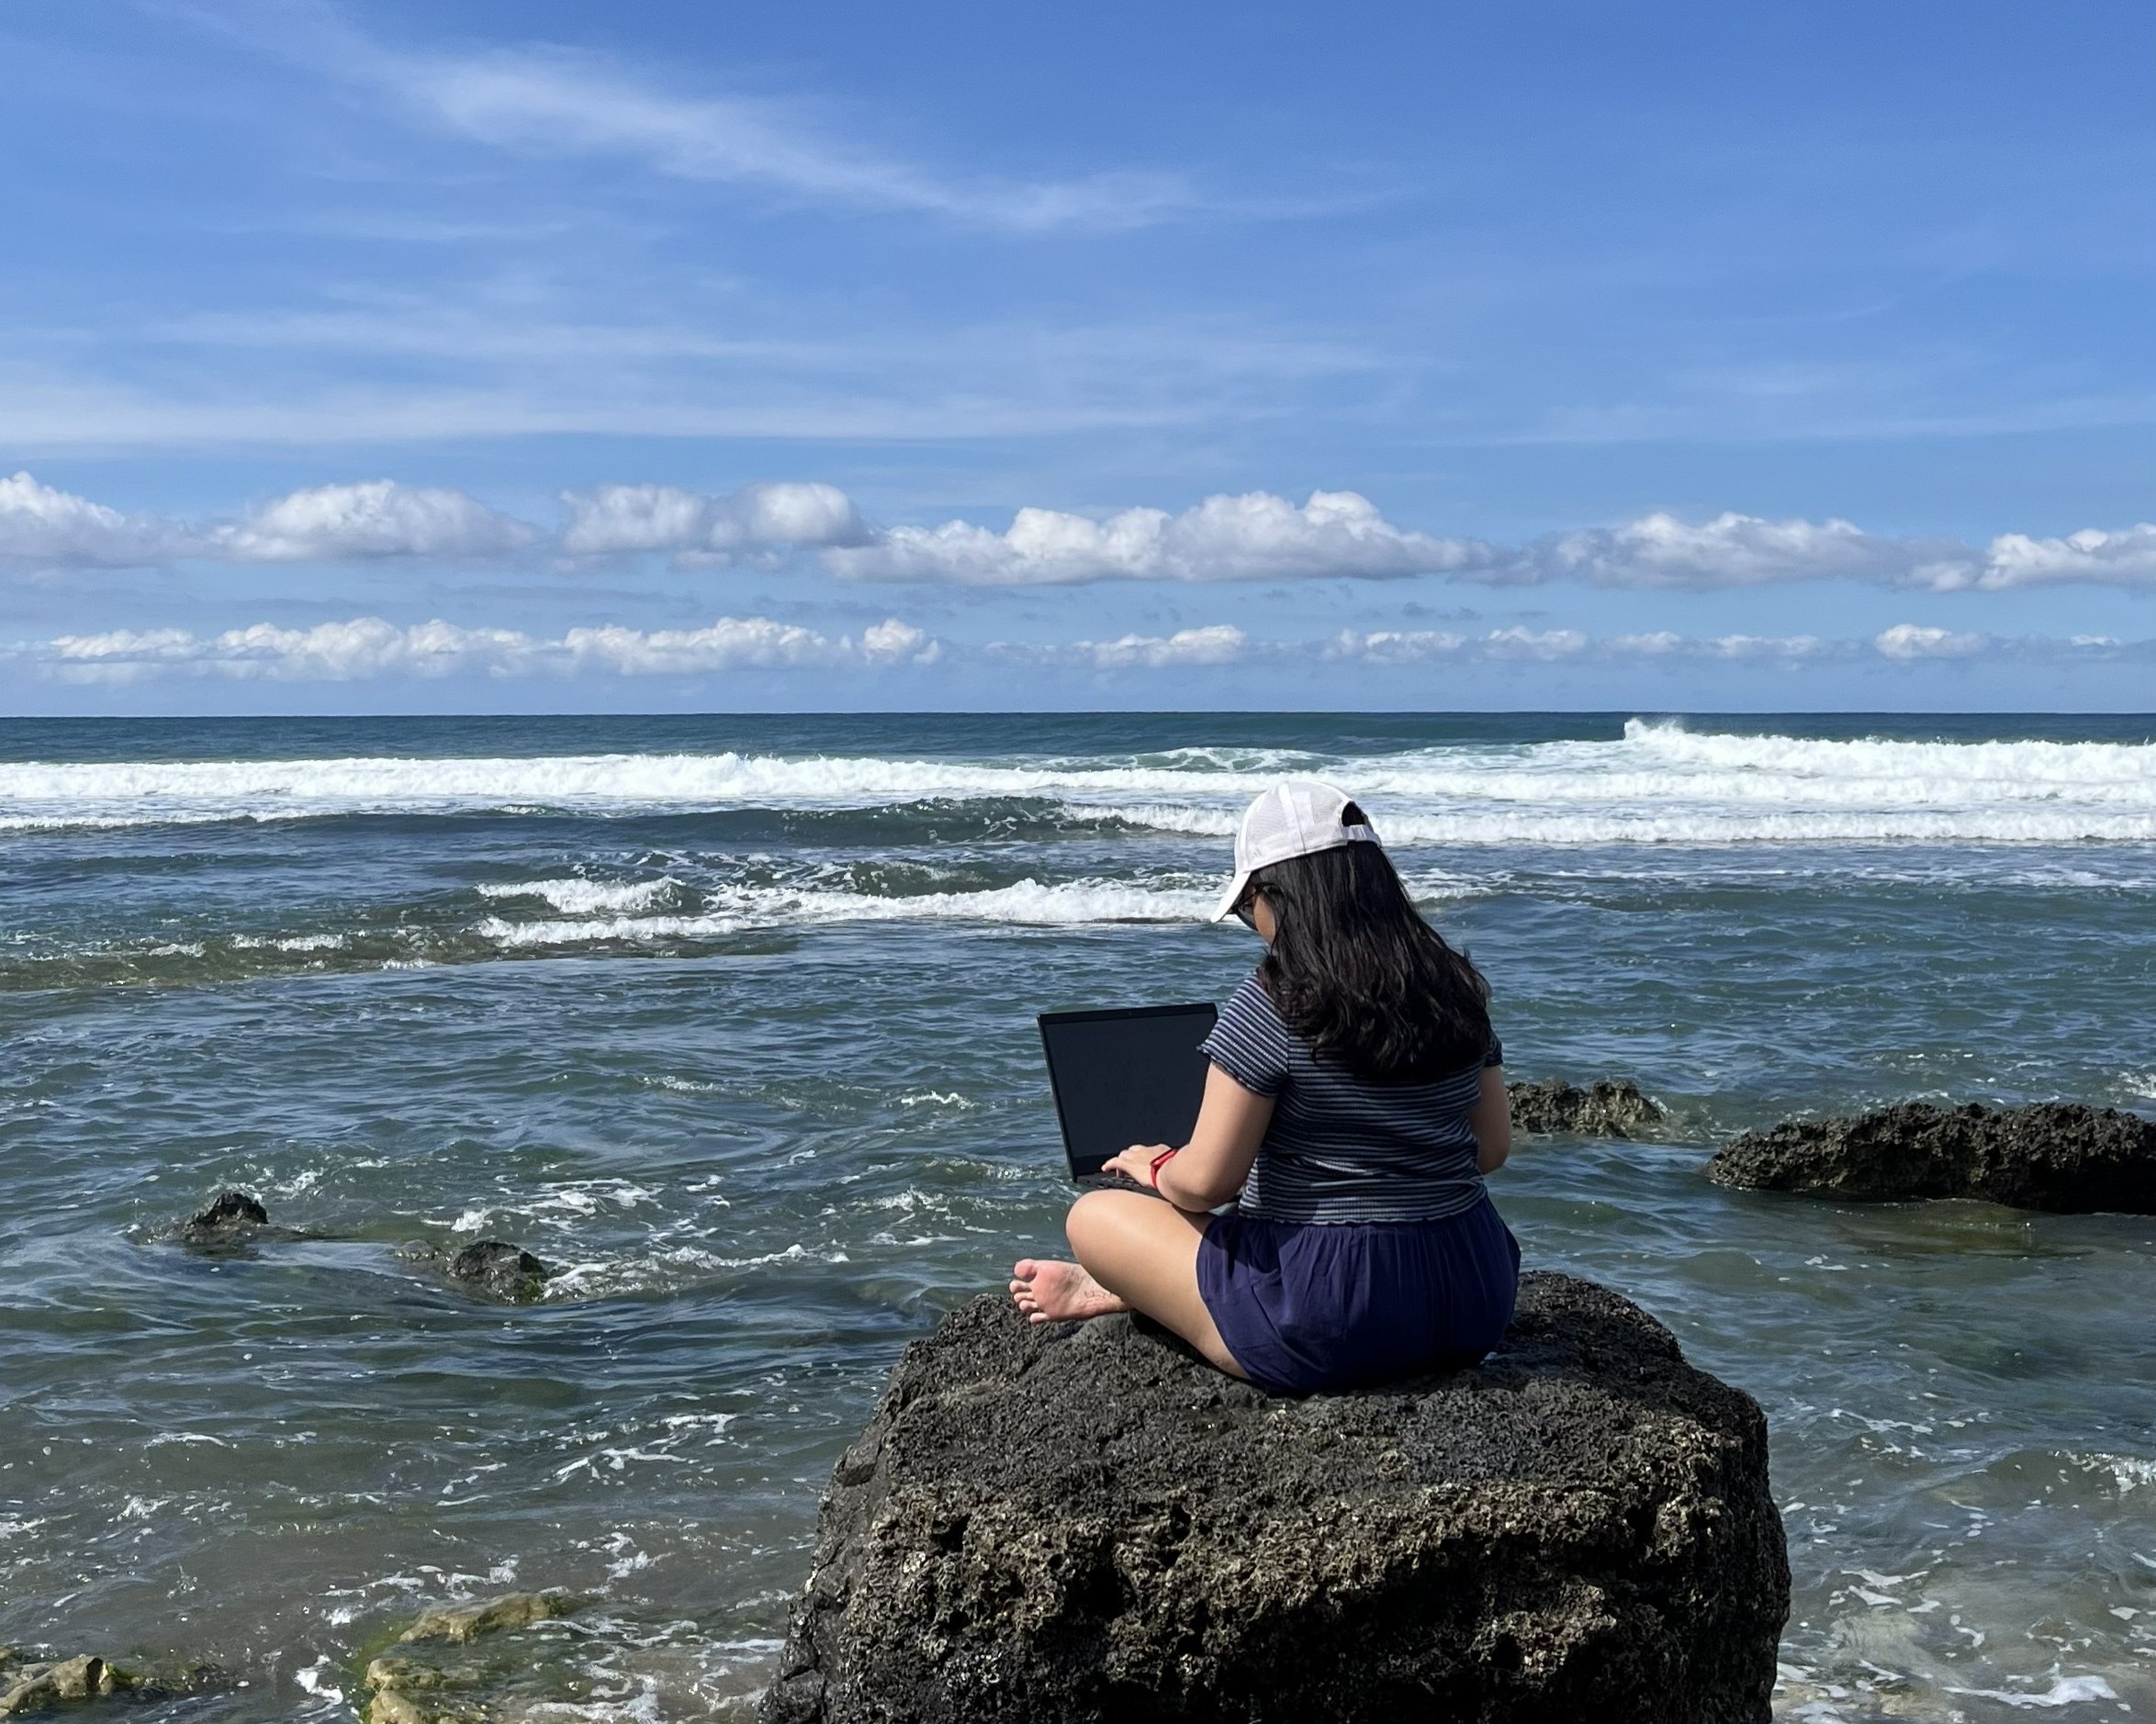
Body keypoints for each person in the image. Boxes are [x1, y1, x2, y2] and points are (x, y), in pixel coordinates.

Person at [1010, 779, 1518, 1394]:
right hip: (1473, 1292)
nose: (1253, 922)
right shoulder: (1456, 986)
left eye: (1249, 904)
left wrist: (1156, 1166)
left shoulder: (1277, 999)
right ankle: (1138, 1290)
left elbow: (1205, 1184)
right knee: (1242, 1213)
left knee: (1093, 1216)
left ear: (1275, 894)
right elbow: (1489, 1150)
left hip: (1332, 1316)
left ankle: (1137, 1288)